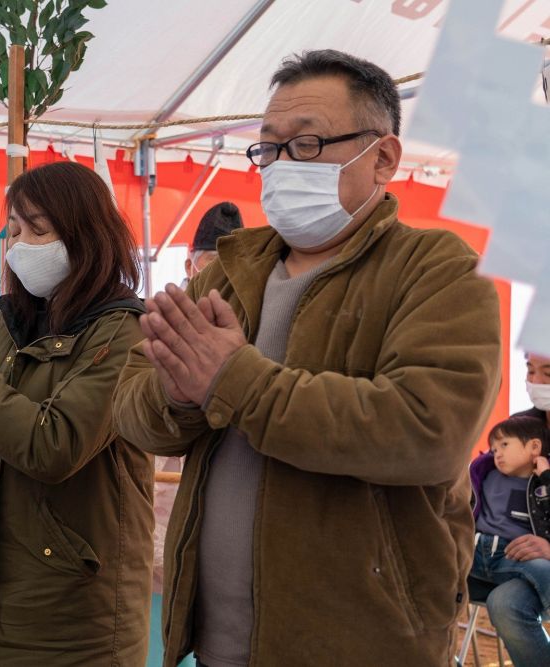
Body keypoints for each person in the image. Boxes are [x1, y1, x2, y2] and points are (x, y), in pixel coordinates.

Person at [112, 49, 502, 666]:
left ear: (384, 158)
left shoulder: (438, 272)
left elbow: (428, 431)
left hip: (360, 642)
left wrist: (232, 379)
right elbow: (131, 410)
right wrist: (179, 395)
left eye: (309, 143)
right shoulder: (231, 270)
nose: (281, 165)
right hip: (214, 638)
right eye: (268, 148)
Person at [0, 161, 153, 666]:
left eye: (38, 228)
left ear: (88, 238)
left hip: (72, 619)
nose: (19, 243)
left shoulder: (125, 334)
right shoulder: (10, 321)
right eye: (14, 228)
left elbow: (54, 447)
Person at [151, 202, 242, 667]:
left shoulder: (246, 333)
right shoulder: (159, 323)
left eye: (226, 276)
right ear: (189, 264)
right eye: (207, 270)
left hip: (217, 532)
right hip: (155, 525)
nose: (213, 287)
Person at [480, 356, 550, 665]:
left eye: (547, 373)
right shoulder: (519, 426)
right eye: (530, 370)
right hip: (510, 558)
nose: (535, 381)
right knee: (504, 604)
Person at [182, 202, 243, 283]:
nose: (223, 272)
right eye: (214, 261)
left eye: (232, 264)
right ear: (189, 267)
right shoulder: (169, 295)